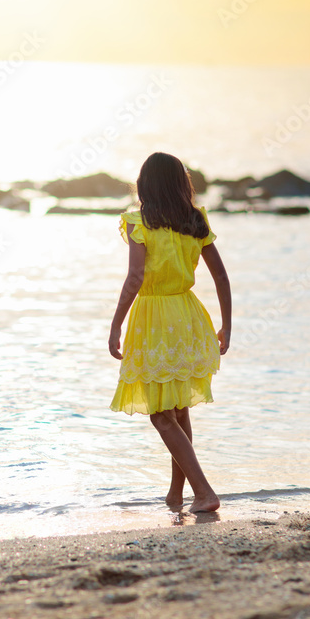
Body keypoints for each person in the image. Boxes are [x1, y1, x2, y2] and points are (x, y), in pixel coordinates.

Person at [108, 151, 232, 514]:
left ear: (145, 185)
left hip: (155, 318)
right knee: (177, 410)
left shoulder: (138, 222)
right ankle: (176, 495)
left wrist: (115, 323)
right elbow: (221, 276)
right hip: (189, 315)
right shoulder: (195, 220)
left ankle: (204, 491)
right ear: (182, 184)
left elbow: (135, 278)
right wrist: (227, 324)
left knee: (161, 415)